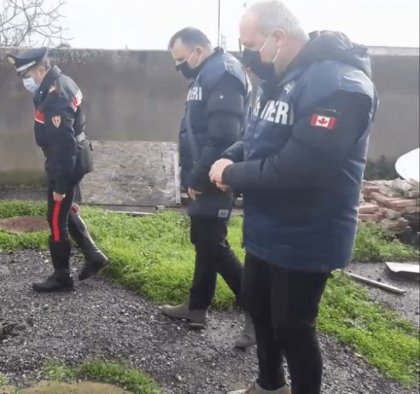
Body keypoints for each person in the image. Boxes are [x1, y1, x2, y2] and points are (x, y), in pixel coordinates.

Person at [208, 2, 378, 393]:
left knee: (292, 327)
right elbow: (260, 136)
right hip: (268, 228)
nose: (246, 54)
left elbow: (304, 167)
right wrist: (232, 155)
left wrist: (232, 175)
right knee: (259, 306)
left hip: (308, 232)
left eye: (250, 44)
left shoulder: (340, 84)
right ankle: (270, 386)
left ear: (278, 38)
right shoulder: (281, 79)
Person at [159, 27, 255, 349]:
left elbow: (224, 139)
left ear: (199, 50)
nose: (179, 67)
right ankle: (197, 307)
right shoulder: (205, 74)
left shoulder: (224, 74)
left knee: (213, 244)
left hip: (215, 175)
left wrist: (197, 180)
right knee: (204, 240)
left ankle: (257, 311)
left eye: (181, 59)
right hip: (204, 173)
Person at [6, 47, 108, 292]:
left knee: (55, 218)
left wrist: (61, 186)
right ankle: (95, 256)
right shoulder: (62, 82)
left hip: (65, 162)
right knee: (65, 213)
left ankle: (62, 277)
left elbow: (65, 146)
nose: (25, 81)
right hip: (70, 158)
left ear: (41, 70)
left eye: (27, 75)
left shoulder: (55, 97)